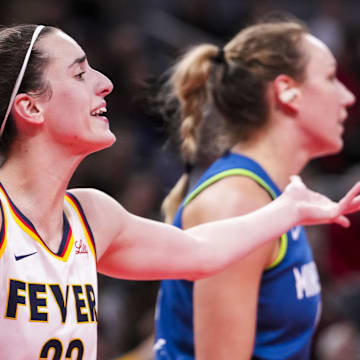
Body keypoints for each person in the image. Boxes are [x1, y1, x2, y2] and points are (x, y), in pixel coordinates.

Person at [0, 24, 358, 360]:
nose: (105, 83)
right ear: (31, 107)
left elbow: (201, 252)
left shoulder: (92, 215)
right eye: (79, 74)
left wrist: (289, 210)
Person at [153, 16, 357, 360]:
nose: (348, 96)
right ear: (286, 90)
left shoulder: (270, 194)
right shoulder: (237, 202)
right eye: (330, 78)